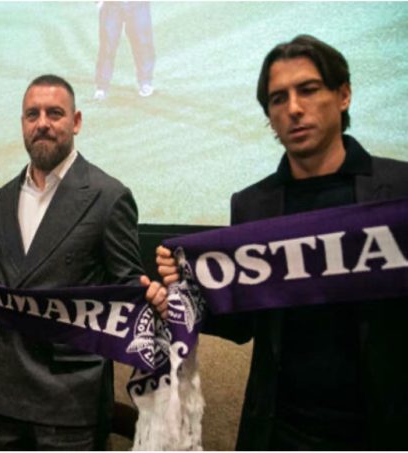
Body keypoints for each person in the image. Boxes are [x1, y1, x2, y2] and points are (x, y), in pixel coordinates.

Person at [158, 35, 408, 449]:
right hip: (281, 430)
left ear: (343, 95)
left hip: (385, 428)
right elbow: (243, 324)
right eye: (278, 99)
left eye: (308, 90)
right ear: (270, 117)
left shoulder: (401, 189)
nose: (293, 108)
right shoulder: (253, 205)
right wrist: (182, 298)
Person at [0, 75, 167, 450]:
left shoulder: (110, 196)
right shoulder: (3, 197)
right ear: (22, 124)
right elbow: (1, 274)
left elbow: (128, 289)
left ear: (76, 121)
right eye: (32, 114)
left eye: (55, 113)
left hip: (72, 403)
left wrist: (156, 299)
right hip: (5, 393)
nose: (43, 123)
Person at [94, 1, 156, 101]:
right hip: (111, 5)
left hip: (138, 5)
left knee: (143, 44)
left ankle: (145, 82)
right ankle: (102, 87)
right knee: (107, 46)